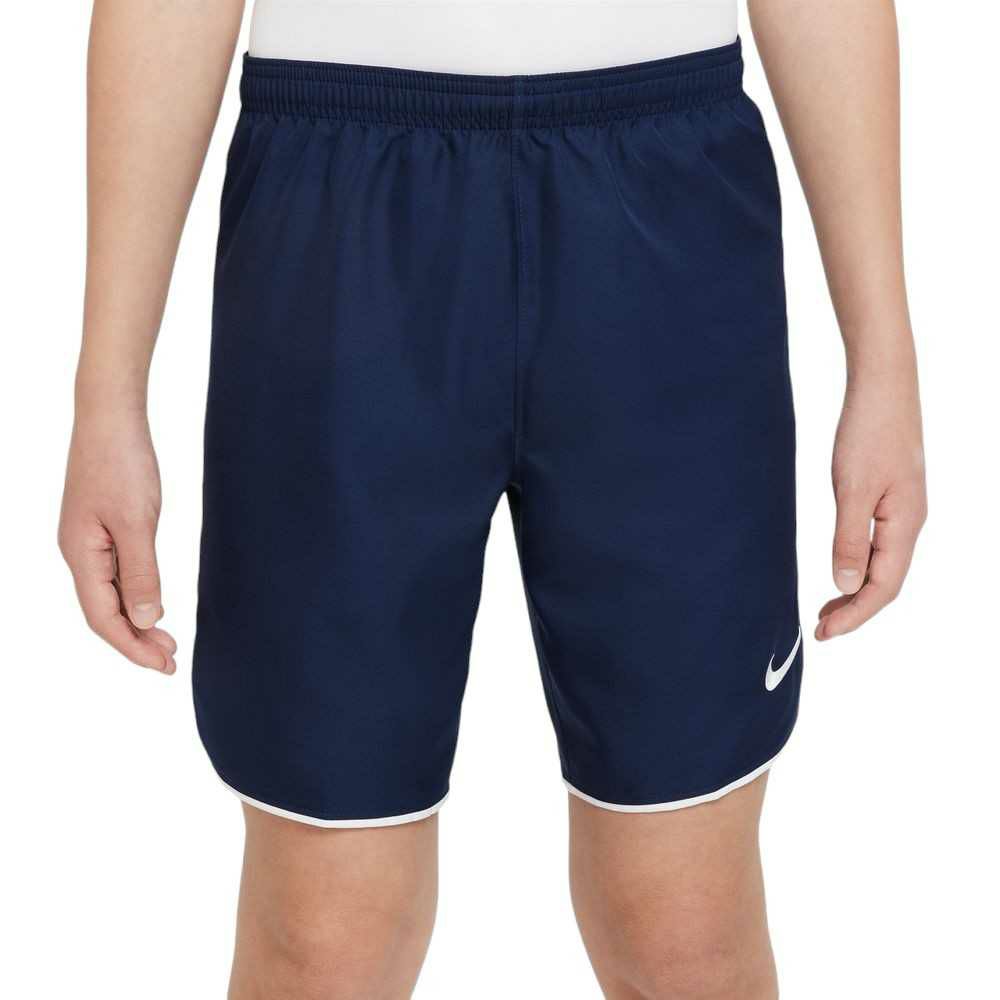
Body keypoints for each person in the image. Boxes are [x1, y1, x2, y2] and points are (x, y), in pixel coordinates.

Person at [59, 0, 927, 996]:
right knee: (323, 936)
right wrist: (106, 393)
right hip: (342, 210)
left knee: (685, 929)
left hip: (663, 212)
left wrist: (885, 359)